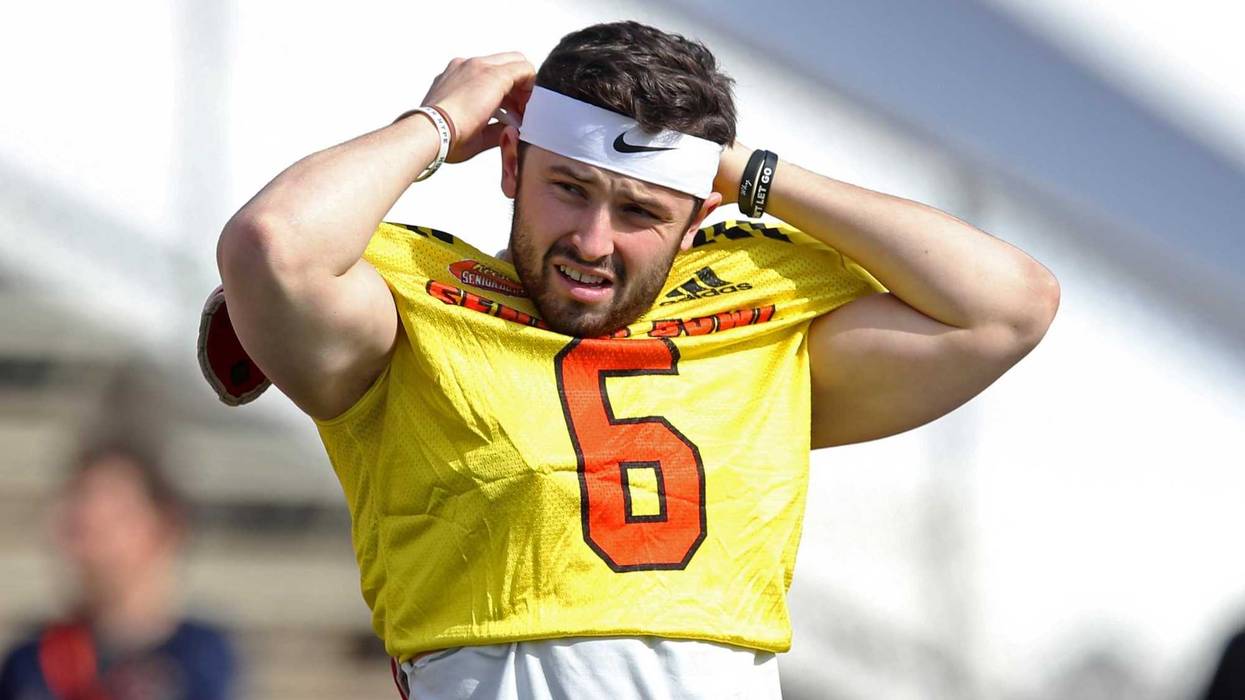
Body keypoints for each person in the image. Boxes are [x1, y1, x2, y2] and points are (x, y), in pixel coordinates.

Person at [202, 20, 1058, 698]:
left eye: (640, 210)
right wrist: (436, 123)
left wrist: (743, 173)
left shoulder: (764, 315)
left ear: (698, 221)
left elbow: (1010, 303)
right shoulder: (408, 300)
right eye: (567, 188)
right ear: (511, 163)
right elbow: (273, 243)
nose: (591, 241)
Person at [0, 439, 238, 700]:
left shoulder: (202, 658)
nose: (89, 546)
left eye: (111, 522)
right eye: (80, 525)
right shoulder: (32, 663)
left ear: (164, 527)